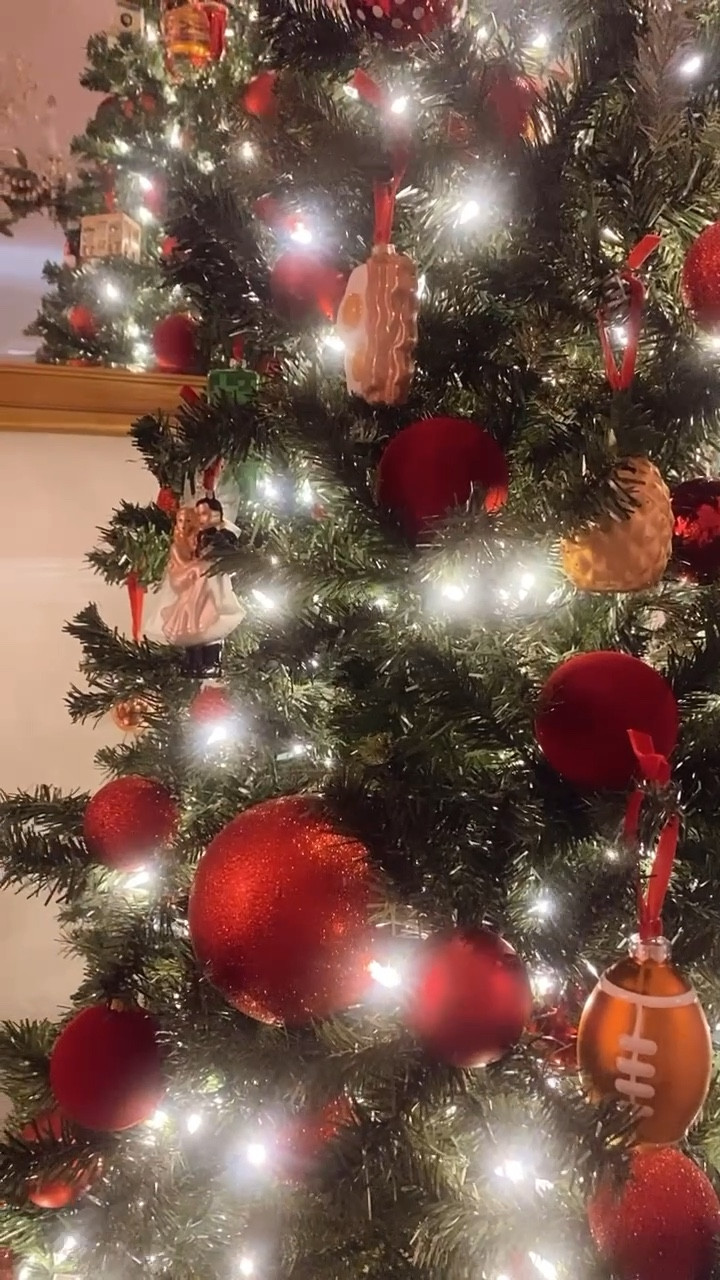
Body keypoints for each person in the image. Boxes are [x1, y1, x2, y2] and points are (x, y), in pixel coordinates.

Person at [144, 504, 245, 676]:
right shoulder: (181, 545)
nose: (184, 524)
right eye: (180, 521)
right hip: (190, 591)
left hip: (205, 593)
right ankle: (193, 662)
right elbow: (180, 568)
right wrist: (194, 568)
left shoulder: (207, 536)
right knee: (189, 628)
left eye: (188, 520)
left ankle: (211, 662)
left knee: (207, 626)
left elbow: (217, 552)